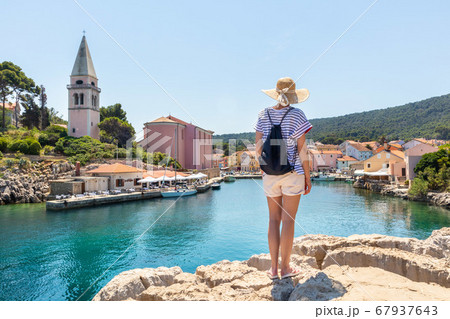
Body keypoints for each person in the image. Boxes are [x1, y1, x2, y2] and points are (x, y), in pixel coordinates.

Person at [255, 77, 312, 279]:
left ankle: (273, 269)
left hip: (269, 173)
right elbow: (302, 149)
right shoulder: (297, 115)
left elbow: (258, 147)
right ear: (293, 96)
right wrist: (308, 176)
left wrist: (263, 169)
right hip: (292, 173)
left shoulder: (263, 114)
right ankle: (286, 268)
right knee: (288, 220)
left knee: (273, 219)